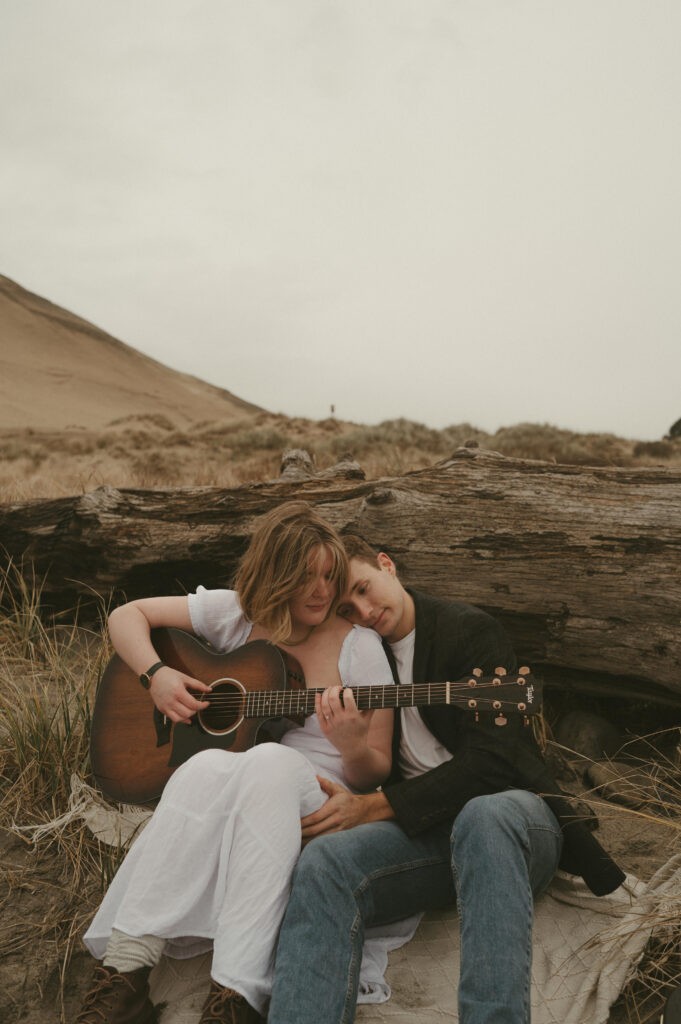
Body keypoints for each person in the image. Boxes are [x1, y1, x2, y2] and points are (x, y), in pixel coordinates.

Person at [268, 536, 626, 1024]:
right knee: (326, 860)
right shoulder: (363, 655)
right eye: (348, 609)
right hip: (427, 839)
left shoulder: (468, 631)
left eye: (365, 589)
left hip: (516, 825)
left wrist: (372, 806)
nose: (364, 611)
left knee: (486, 813)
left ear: (388, 566)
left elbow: (494, 763)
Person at [75, 504, 395, 1024]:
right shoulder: (239, 614)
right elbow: (125, 615)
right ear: (275, 574)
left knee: (268, 759)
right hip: (240, 786)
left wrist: (353, 744)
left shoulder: (360, 647)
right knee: (199, 768)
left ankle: (235, 997)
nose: (320, 590)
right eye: (304, 576)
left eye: (329, 575)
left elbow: (375, 769)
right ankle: (123, 979)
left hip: (317, 795)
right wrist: (157, 675)